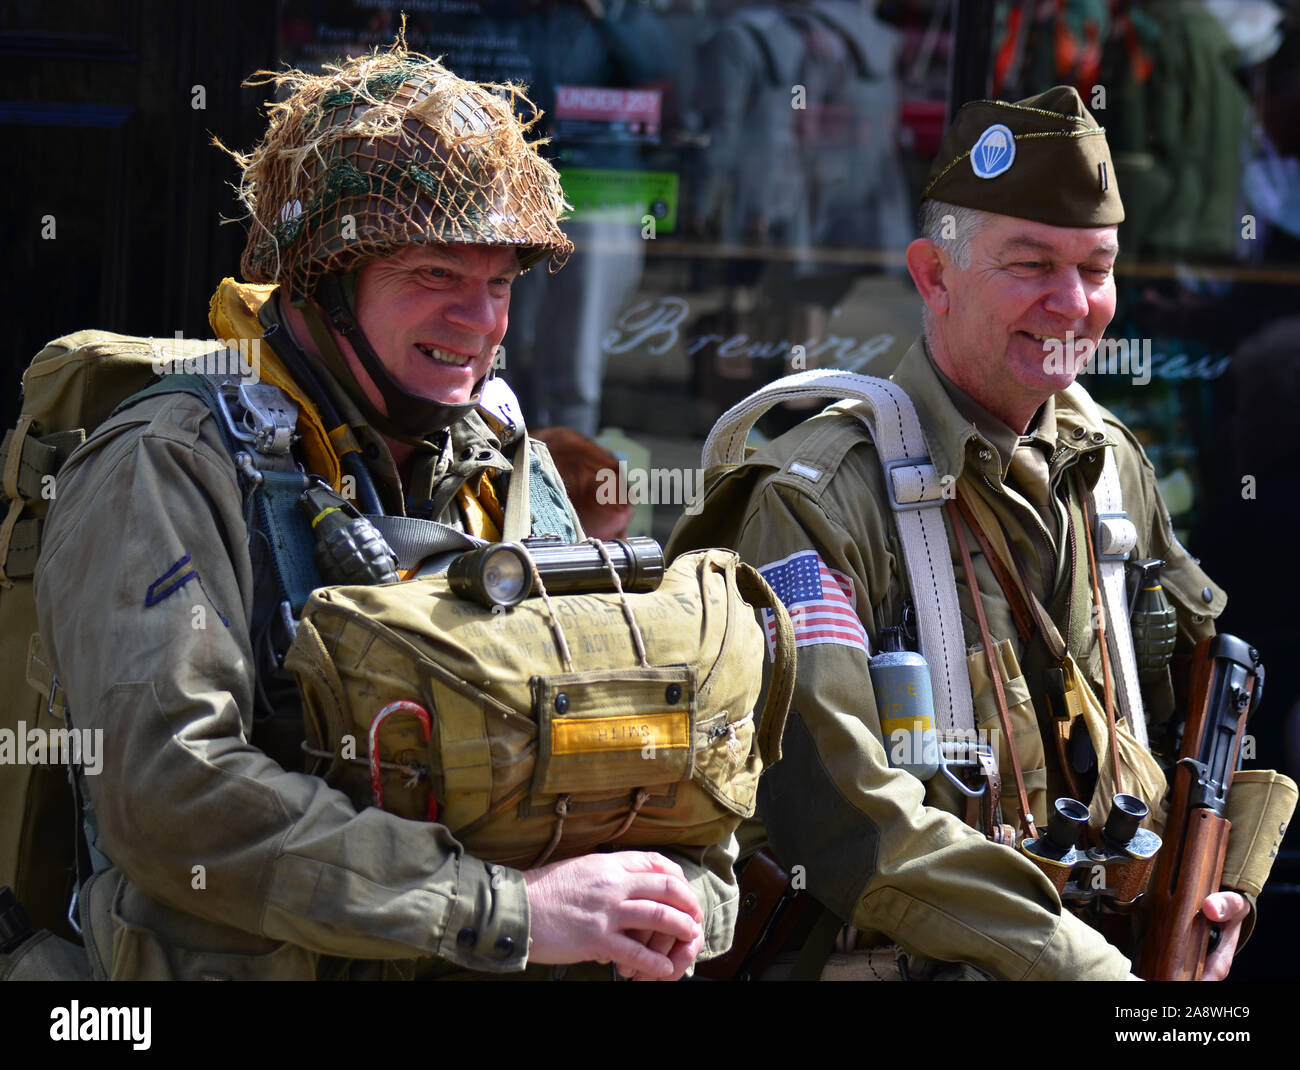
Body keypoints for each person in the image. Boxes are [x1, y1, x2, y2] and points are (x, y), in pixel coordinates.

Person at [31, 45, 735, 981]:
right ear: (322, 284)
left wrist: (680, 889)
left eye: (499, 284)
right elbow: (170, 793)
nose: (479, 322)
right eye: (436, 275)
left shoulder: (506, 466)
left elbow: (604, 721)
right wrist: (509, 912)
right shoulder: (165, 465)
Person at [669, 86, 1258, 980]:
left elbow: (1204, 719)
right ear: (933, 277)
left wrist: (1229, 888)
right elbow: (845, 822)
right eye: (1029, 264)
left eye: (1095, 269)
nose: (1072, 303)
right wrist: (1089, 975)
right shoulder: (819, 498)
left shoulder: (1111, 469)